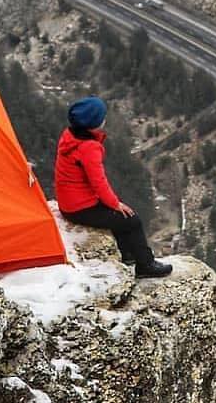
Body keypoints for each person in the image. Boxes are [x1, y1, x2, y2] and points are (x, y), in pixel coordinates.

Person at [54, 96, 172, 278]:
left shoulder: (70, 136)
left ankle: (128, 255)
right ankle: (145, 265)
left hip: (69, 204)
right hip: (80, 208)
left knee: (119, 220)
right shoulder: (89, 148)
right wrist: (115, 203)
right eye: (102, 117)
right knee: (131, 219)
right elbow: (98, 182)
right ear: (94, 124)